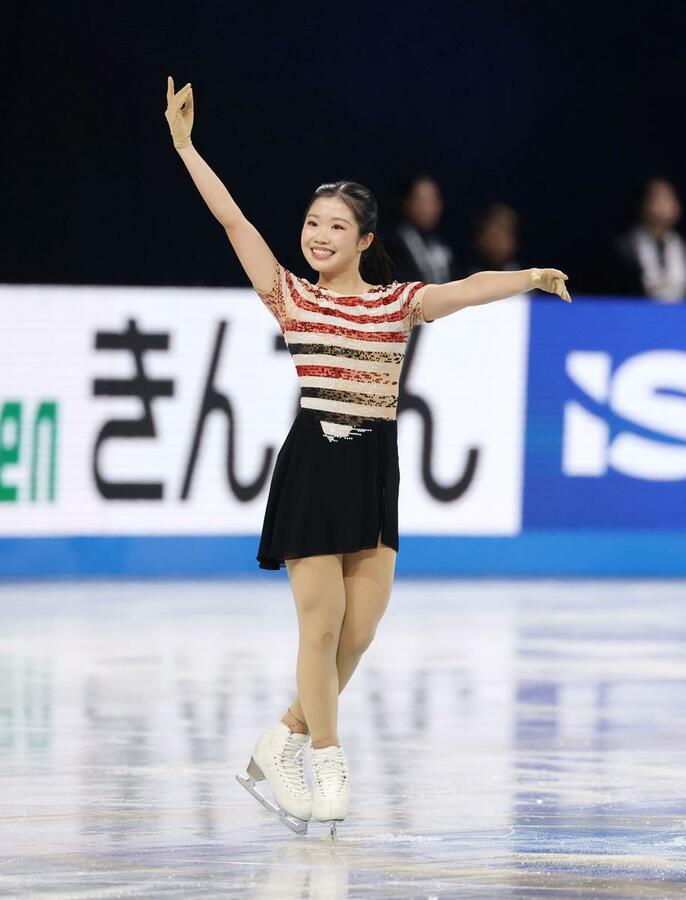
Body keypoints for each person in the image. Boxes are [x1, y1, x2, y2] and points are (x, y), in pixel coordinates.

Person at [164, 76, 572, 838]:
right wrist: (187, 147)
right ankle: (326, 755)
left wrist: (531, 276)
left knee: (359, 633)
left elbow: (466, 289)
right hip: (314, 466)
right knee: (320, 628)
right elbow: (233, 220)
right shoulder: (291, 296)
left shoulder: (395, 303)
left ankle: (282, 734)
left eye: (334, 227)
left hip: (374, 470)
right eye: (311, 223)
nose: (317, 236)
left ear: (363, 241)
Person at [609, 176, 686, 302]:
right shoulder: (624, 248)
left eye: (668, 198)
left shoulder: (682, 247)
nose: (663, 204)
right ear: (643, 204)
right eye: (657, 197)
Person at [382, 174, 460, 284]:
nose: (427, 207)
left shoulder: (441, 245)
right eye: (421, 200)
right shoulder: (391, 244)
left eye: (433, 200)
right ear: (405, 202)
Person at [462, 202, 522, 276]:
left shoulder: (530, 280)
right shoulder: (463, 279)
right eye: (490, 233)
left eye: (502, 232)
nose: (495, 242)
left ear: (514, 240)